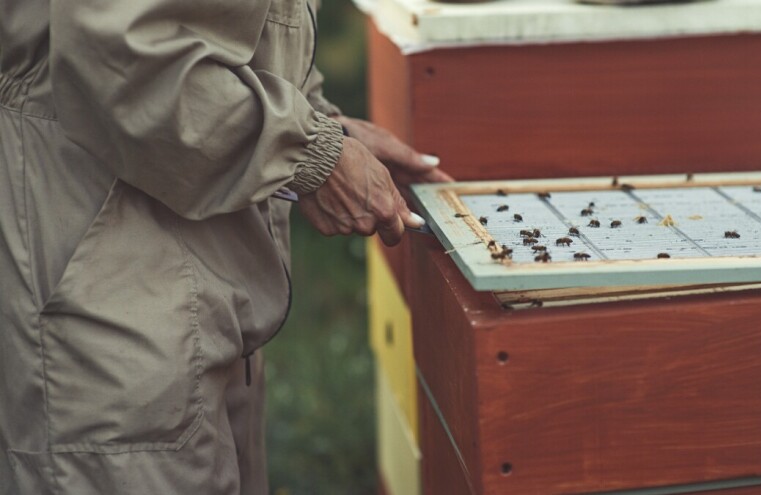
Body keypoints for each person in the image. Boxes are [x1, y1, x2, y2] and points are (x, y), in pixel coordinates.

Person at [0, 0, 450, 492]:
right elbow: (122, 56)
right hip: (106, 278)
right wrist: (309, 151)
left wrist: (325, 125)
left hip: (203, 281)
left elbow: (234, 29)